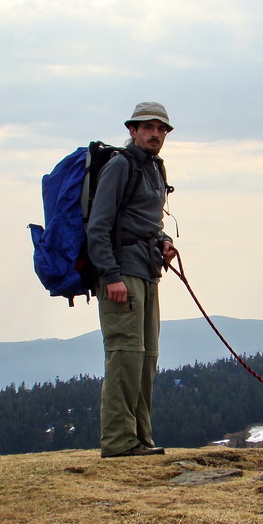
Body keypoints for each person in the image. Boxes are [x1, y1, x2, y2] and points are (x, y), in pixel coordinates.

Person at [86, 102, 178, 458]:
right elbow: (98, 226)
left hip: (147, 271)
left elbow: (148, 224)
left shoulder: (155, 168)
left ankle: (140, 439)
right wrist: (110, 275)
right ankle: (118, 443)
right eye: (148, 127)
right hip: (121, 274)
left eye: (161, 129)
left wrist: (164, 242)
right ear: (132, 130)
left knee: (146, 358)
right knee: (124, 357)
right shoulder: (120, 166)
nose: (155, 134)